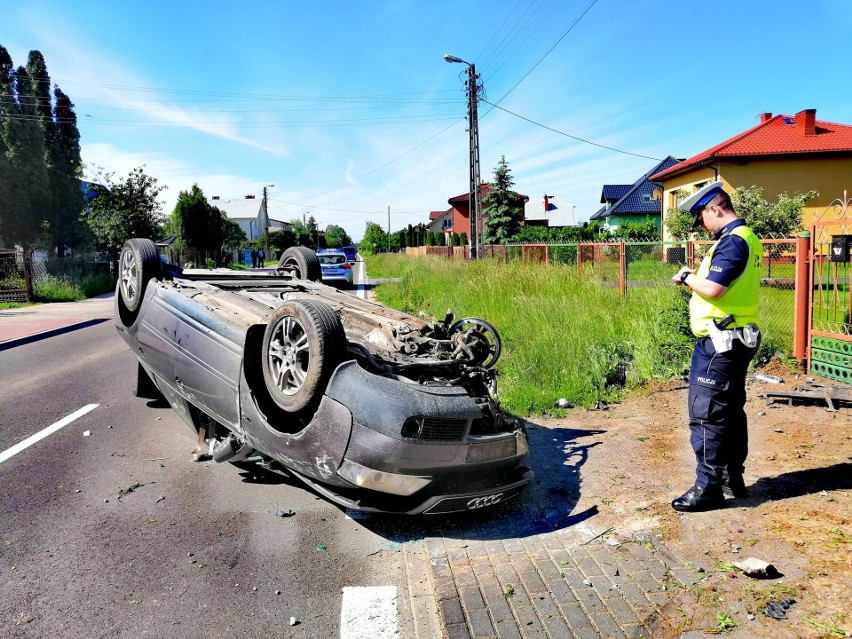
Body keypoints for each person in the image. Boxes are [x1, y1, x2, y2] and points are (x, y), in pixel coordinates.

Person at [670, 181, 763, 512]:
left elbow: (713, 289)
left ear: (715, 209)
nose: (702, 226)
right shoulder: (746, 238)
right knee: (729, 410)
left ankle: (708, 487)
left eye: (701, 218)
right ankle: (730, 478)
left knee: (706, 413)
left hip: (719, 344)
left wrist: (686, 276)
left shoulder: (733, 242)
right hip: (737, 337)